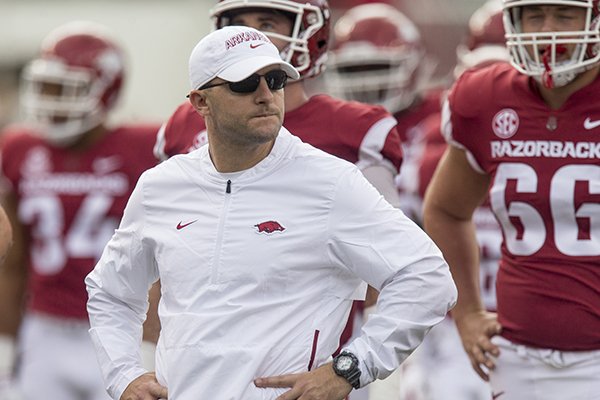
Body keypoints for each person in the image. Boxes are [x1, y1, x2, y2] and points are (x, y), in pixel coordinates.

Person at [85, 26, 457, 400]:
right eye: (245, 84)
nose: (265, 95)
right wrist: (124, 376)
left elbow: (427, 276)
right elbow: (110, 292)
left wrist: (351, 367)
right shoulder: (160, 186)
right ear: (200, 102)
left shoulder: (330, 182)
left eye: (275, 79)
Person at [423, 0, 600, 399]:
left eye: (564, 14)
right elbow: (446, 210)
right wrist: (466, 313)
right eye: (534, 15)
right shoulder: (485, 98)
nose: (547, 31)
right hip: (518, 359)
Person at [0, 21, 159, 400]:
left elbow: (162, 258)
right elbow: (12, 260)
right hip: (44, 331)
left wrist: (152, 341)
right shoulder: (18, 146)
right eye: (47, 88)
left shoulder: (145, 146)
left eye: (66, 90)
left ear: (106, 90)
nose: (52, 102)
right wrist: (5, 343)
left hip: (120, 329)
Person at [326, 2, 442, 222]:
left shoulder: (442, 116)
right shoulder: (331, 123)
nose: (365, 83)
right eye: (352, 70)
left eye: (377, 67)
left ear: (413, 66)